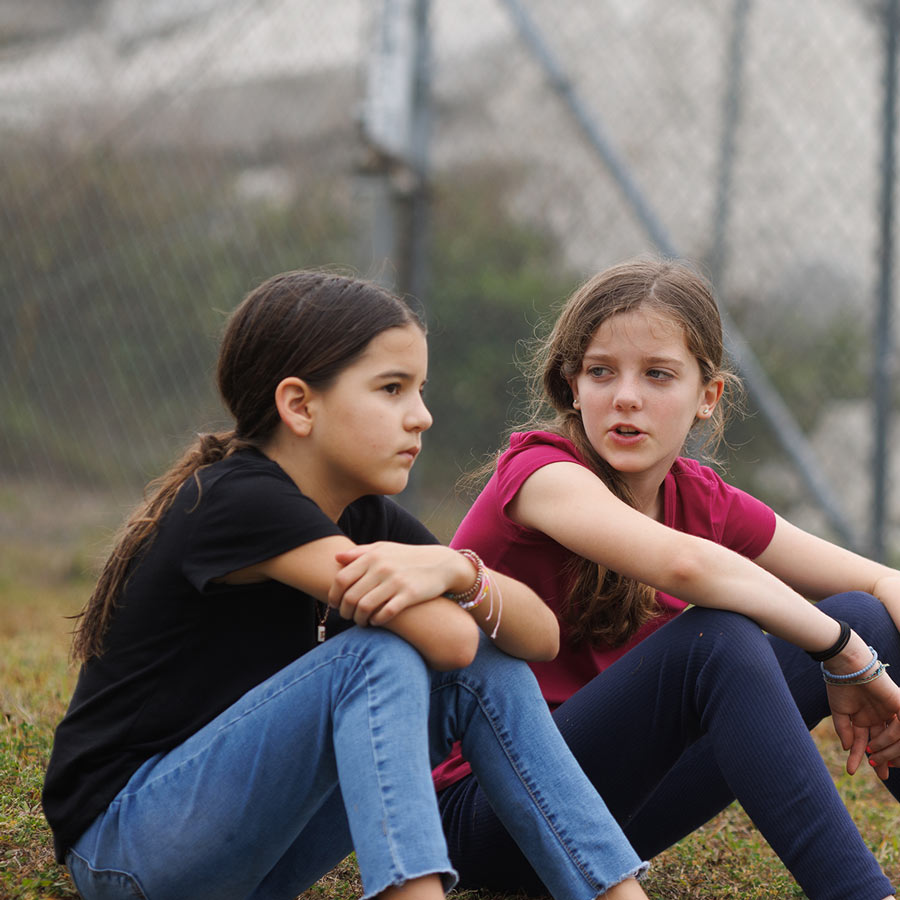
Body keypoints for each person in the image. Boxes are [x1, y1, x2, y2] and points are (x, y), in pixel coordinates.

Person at [41, 270, 651, 900]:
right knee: (379, 654)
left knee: (488, 662)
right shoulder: (235, 501)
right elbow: (448, 642)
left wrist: (460, 570)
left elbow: (540, 638)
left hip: (245, 858)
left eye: (419, 389)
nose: (422, 416)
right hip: (130, 849)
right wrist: (448, 596)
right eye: (392, 389)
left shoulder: (360, 513)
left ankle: (612, 894)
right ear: (299, 406)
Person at [434, 257, 900, 900]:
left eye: (658, 374)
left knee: (872, 616)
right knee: (719, 641)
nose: (626, 396)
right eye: (601, 372)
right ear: (573, 387)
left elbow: (883, 583)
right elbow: (686, 566)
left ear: (706, 397)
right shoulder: (541, 474)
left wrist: (869, 656)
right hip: (488, 815)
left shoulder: (697, 495)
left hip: (612, 815)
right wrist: (845, 654)